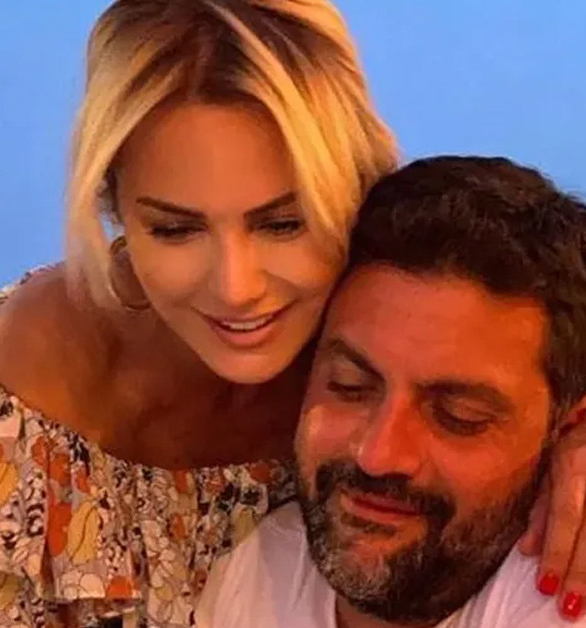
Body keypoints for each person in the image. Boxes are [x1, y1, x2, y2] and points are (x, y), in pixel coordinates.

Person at [0, 1, 586, 626]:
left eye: (284, 223)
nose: (236, 288)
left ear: (354, 191)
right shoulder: (24, 398)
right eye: (174, 230)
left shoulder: (382, 308)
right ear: (116, 212)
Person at [193, 155, 586, 627]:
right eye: (349, 387)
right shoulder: (252, 568)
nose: (378, 456)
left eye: (458, 416)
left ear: (565, 425)